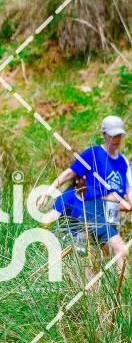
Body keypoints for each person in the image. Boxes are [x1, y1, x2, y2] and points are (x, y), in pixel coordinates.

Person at [40, 115, 130, 274]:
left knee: (96, 262)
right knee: (121, 251)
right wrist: (48, 192)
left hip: (112, 216)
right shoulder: (93, 153)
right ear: (104, 135)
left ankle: (91, 289)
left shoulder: (123, 162)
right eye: (112, 135)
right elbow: (69, 173)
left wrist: (121, 203)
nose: (116, 139)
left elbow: (129, 191)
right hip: (95, 210)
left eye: (119, 135)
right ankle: (121, 291)